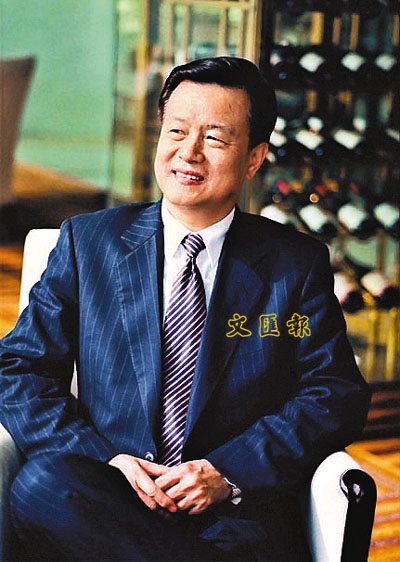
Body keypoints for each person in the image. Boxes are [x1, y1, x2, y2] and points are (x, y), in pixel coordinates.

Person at [0, 57, 370, 561]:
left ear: (254, 158)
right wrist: (107, 460)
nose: (188, 152)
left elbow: (334, 393)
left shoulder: (294, 265)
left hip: (232, 518)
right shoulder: (89, 245)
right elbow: (18, 368)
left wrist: (226, 472)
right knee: (42, 485)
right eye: (176, 131)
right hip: (110, 501)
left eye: (214, 138)